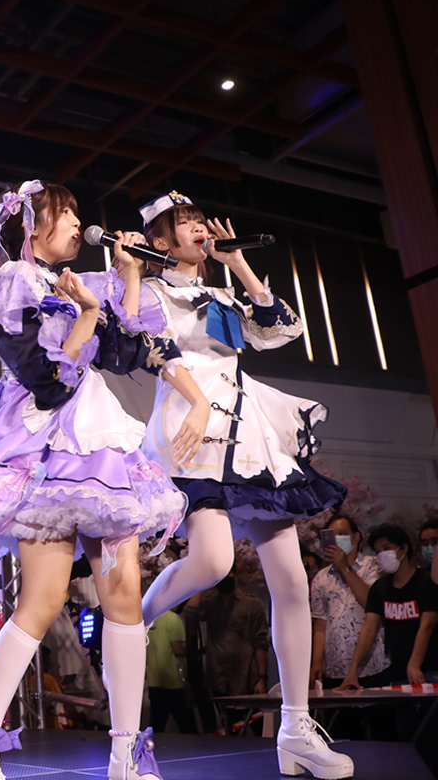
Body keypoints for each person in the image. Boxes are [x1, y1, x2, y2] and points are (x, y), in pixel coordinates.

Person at [0, 180, 207, 780]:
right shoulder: (10, 284)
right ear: (30, 227)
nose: (79, 223)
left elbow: (127, 354)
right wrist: (87, 314)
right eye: (65, 213)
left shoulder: (87, 284)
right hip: (43, 446)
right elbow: (47, 382)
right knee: (43, 599)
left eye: (79, 212)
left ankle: (126, 752)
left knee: (124, 596)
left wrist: (128, 275)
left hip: (100, 442)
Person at [135, 192, 352, 779]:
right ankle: (135, 616)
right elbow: (148, 348)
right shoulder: (153, 293)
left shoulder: (226, 293)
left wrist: (239, 265)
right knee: (212, 561)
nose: (198, 229)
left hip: (248, 439)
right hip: (193, 435)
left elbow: (279, 332)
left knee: (292, 581)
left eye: (198, 220)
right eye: (184, 223)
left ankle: (295, 729)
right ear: (160, 240)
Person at [340, 524, 438, 689]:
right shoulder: (380, 588)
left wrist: (414, 665)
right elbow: (368, 629)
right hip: (398, 671)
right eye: (378, 551)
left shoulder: (426, 582)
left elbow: (427, 625)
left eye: (386, 548)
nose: (382, 555)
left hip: (429, 669)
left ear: (403, 549)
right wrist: (353, 669)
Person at [310, 513, 389, 689]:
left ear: (356, 537)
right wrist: (317, 660)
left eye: (342, 533)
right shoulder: (322, 577)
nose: (337, 539)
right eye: (333, 535)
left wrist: (345, 567)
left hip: (372, 666)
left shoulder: (374, 565)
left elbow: (372, 603)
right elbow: (320, 623)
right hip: (334, 668)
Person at [183, 570, 270, 702]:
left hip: (245, 677)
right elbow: (190, 613)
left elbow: (260, 643)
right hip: (217, 678)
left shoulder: (252, 604)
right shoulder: (210, 604)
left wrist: (262, 678)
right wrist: (201, 583)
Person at [146, 606, 198, 734]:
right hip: (174, 682)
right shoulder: (173, 619)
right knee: (189, 728)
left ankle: (146, 747)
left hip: (154, 682)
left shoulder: (149, 620)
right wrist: (197, 652)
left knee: (156, 728)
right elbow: (177, 650)